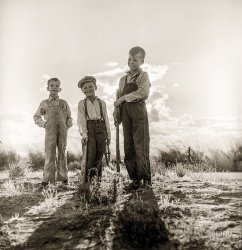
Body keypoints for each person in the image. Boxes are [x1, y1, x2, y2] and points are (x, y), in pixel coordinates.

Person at [114, 46, 151, 189]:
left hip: (138, 112)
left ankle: (146, 179)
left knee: (140, 146)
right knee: (129, 147)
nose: (131, 62)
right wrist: (117, 113)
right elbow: (118, 99)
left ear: (142, 61)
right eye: (129, 59)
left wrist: (123, 98)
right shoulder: (123, 79)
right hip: (125, 114)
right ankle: (134, 179)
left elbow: (143, 93)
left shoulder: (143, 76)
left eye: (135, 60)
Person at [34, 78, 73, 188]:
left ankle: (64, 179)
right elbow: (36, 117)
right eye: (52, 85)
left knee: (62, 152)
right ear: (48, 88)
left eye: (57, 85)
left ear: (60, 89)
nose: (54, 87)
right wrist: (44, 124)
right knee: (50, 153)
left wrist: (67, 125)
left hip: (62, 130)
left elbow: (69, 117)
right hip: (50, 130)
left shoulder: (63, 103)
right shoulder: (44, 103)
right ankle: (46, 181)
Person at [77, 76, 111, 182]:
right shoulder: (82, 103)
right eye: (85, 87)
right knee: (90, 156)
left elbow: (106, 118)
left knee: (100, 156)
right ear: (82, 90)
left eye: (90, 86)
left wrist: (108, 135)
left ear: (95, 87)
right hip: (89, 129)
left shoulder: (102, 103)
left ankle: (98, 180)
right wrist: (84, 134)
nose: (88, 89)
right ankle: (88, 180)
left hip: (101, 129)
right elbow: (81, 120)